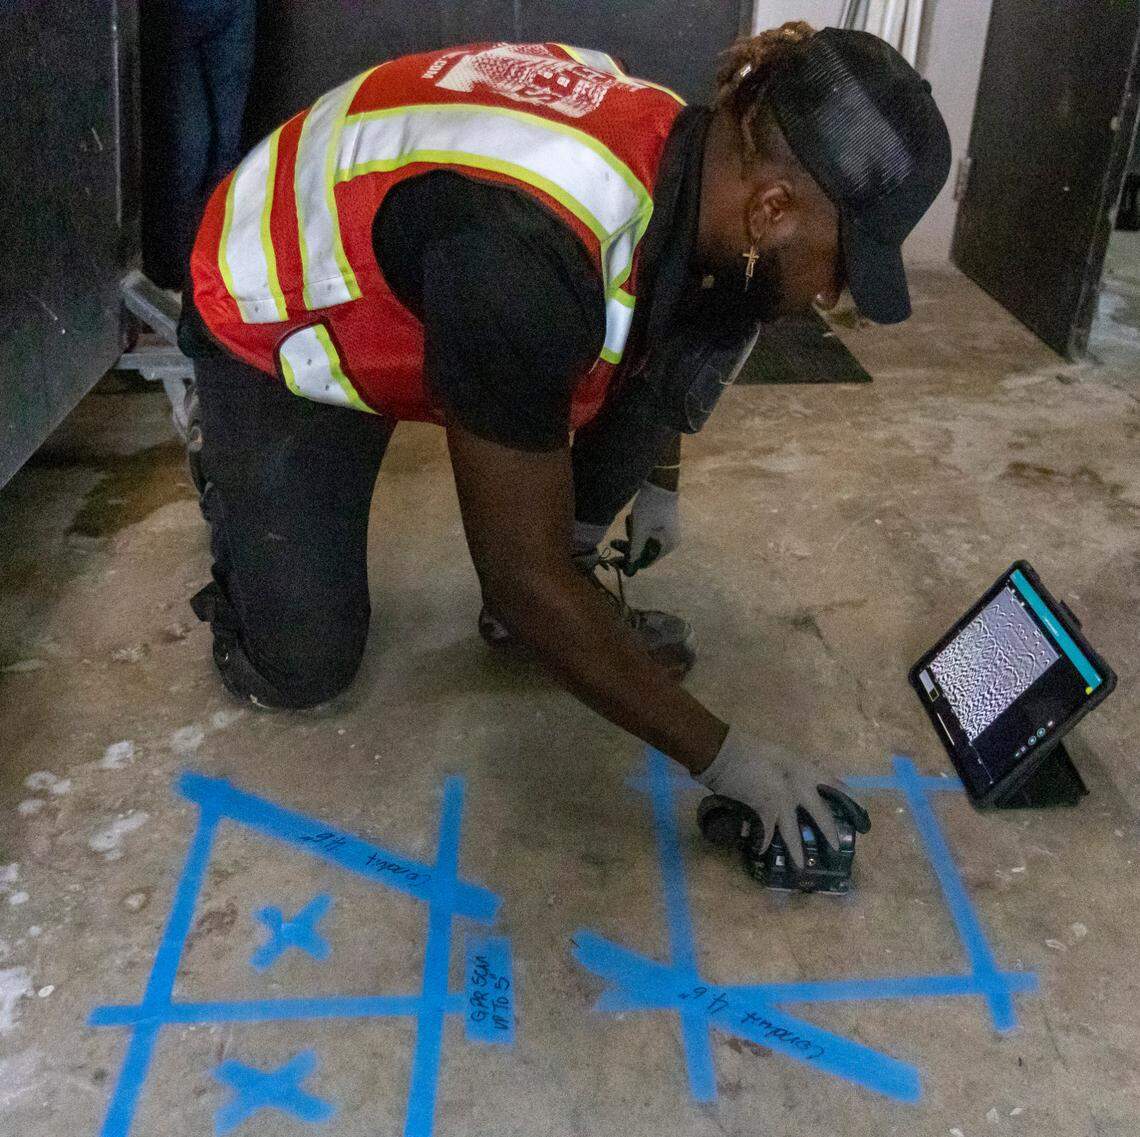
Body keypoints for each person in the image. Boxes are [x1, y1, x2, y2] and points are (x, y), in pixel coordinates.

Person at [177, 25, 950, 865]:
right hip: (287, 309)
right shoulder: (524, 254)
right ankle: (228, 466)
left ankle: (569, 595)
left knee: (727, 303)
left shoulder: (692, 161)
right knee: (304, 668)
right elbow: (518, 580)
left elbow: (672, 323)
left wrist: (658, 477)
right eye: (842, 265)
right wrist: (728, 760)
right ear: (772, 208)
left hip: (439, 284)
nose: (834, 293)